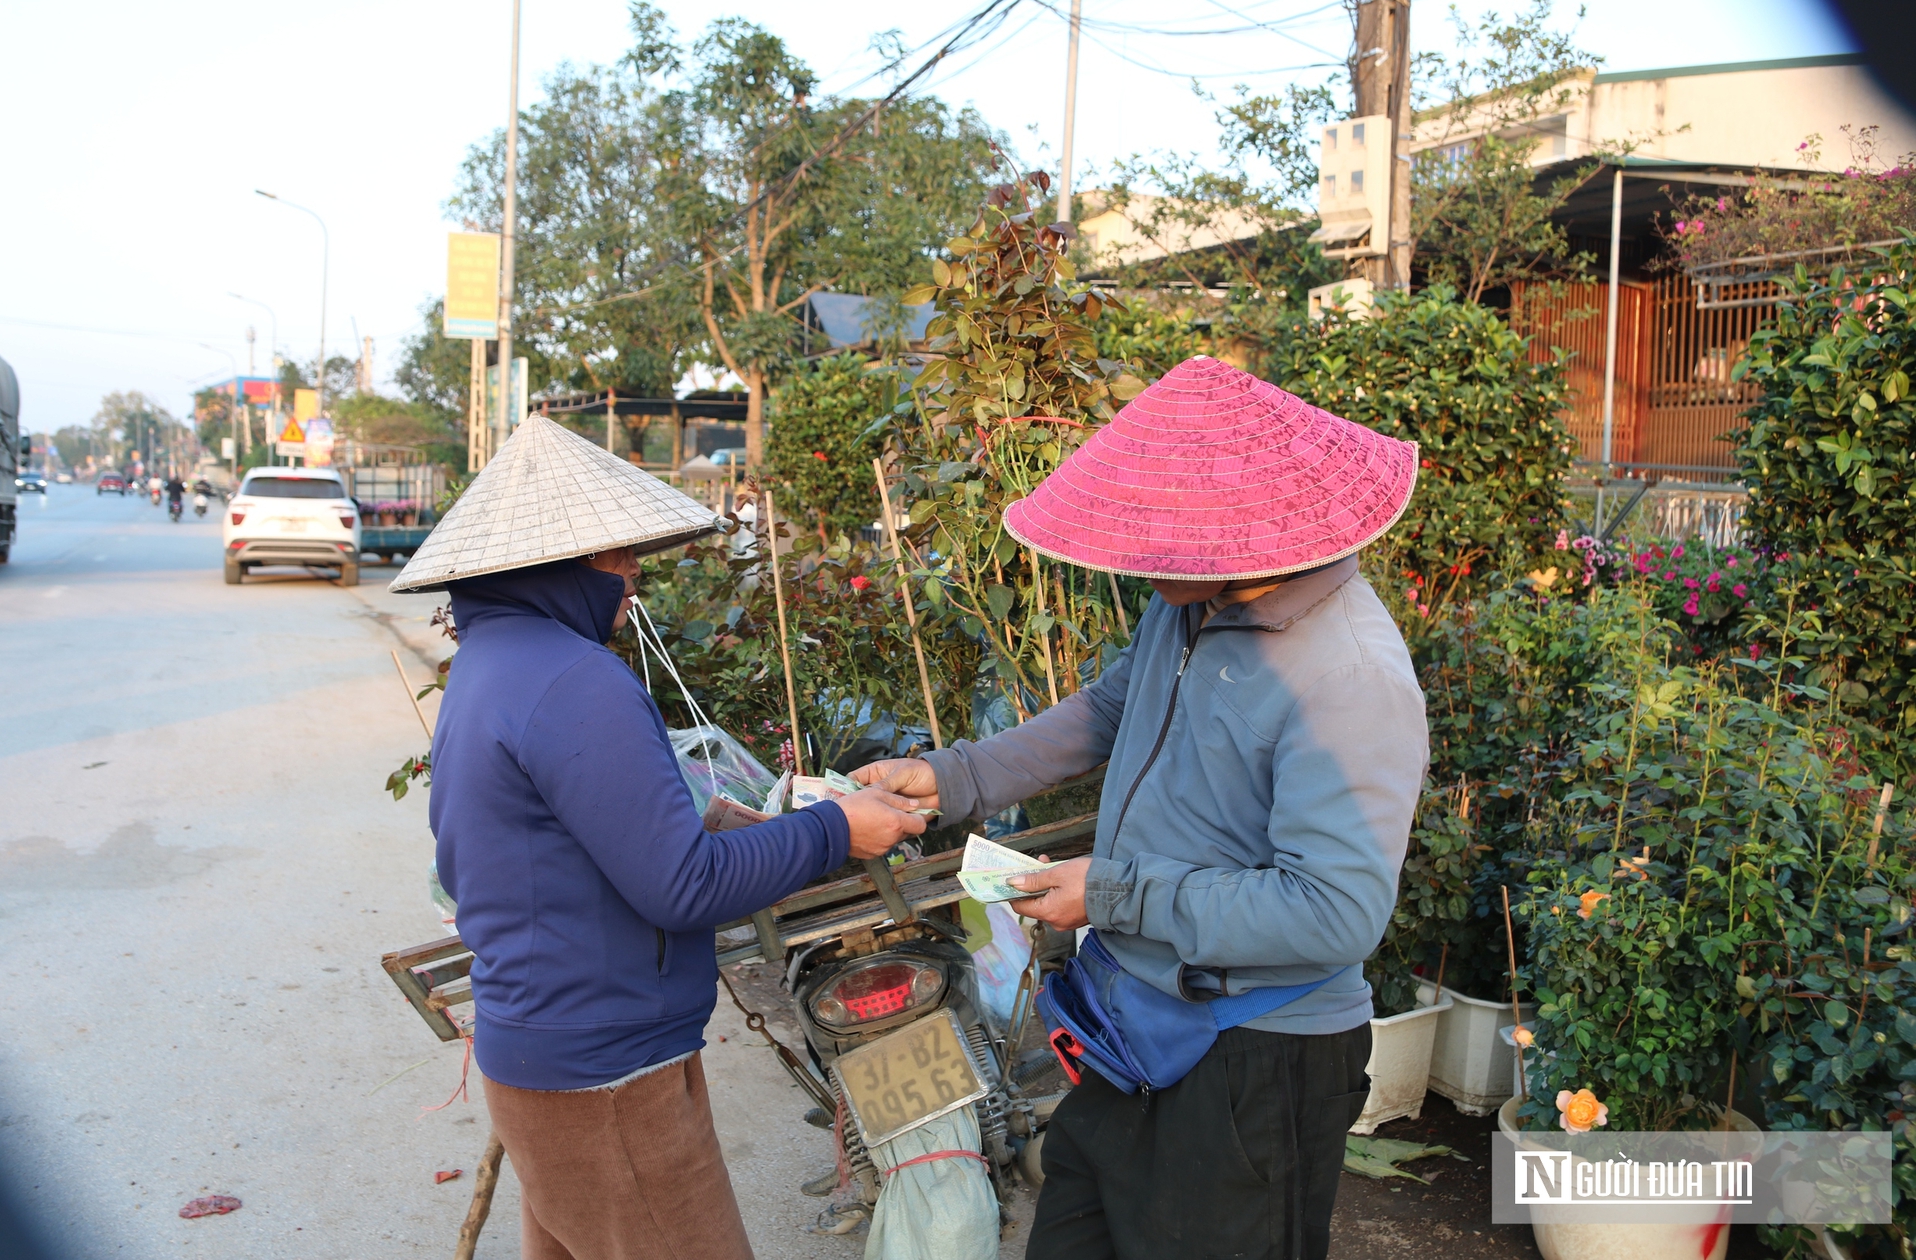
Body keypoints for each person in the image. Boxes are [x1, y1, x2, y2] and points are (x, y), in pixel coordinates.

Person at [856, 356, 1429, 1260]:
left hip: (1255, 1063)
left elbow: (1336, 912)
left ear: (1242, 534)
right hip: (1134, 1021)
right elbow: (1115, 707)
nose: (1137, 556)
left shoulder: (1350, 678)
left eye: (1163, 534)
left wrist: (1114, 893)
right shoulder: (1190, 605)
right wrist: (957, 775)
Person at [390, 416, 926, 1260]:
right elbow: (684, 885)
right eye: (621, 560)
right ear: (561, 561)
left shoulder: (493, 665)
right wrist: (837, 827)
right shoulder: (575, 680)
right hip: (607, 1077)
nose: (634, 579)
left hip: (549, 1055)